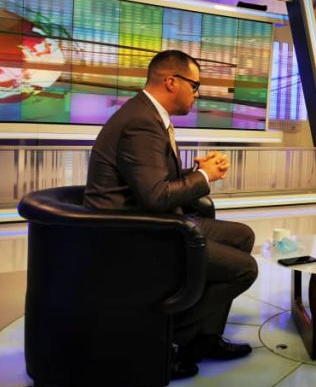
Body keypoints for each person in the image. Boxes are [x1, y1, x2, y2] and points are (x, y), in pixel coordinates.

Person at [83, 50, 258, 379]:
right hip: (134, 235)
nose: (197, 94)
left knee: (242, 236)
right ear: (171, 81)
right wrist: (204, 177)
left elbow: (150, 183)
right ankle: (166, 339)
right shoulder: (141, 122)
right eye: (195, 85)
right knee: (244, 270)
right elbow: (155, 196)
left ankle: (203, 336)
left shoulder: (148, 114)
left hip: (150, 220)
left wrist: (196, 172)